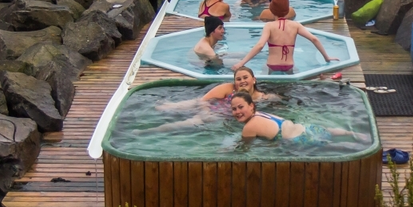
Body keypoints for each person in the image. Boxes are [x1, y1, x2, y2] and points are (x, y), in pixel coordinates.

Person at [147, 67, 276, 133]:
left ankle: (146, 131)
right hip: (209, 109)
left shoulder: (263, 97)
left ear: (254, 79)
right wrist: (206, 113)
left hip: (220, 116)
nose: (242, 81)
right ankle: (163, 106)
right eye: (238, 79)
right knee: (165, 108)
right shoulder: (229, 88)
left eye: (245, 77)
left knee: (183, 124)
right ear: (235, 82)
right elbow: (203, 101)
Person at [236, 0, 336, 72]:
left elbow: (260, 46)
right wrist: (326, 57)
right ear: (287, 9)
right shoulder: (295, 25)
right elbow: (314, 39)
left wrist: (241, 63)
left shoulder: (269, 26)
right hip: (289, 65)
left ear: (271, 9)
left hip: (273, 64)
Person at [230, 92, 368, 144]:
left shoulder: (249, 127)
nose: (237, 111)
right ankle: (352, 133)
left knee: (331, 148)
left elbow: (243, 151)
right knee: (328, 131)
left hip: (301, 140)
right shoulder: (261, 114)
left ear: (251, 106)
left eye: (241, 107)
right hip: (305, 128)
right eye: (234, 109)